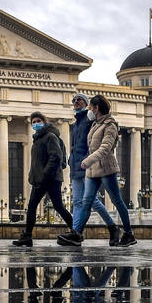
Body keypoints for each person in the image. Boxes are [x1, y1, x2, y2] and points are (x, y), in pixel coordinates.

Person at [58, 95, 135, 247]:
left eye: (90, 107)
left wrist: (87, 160)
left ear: (96, 108)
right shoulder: (95, 124)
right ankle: (77, 233)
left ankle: (129, 234)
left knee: (117, 201)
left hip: (105, 168)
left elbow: (105, 147)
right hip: (92, 169)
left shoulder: (110, 125)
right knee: (86, 201)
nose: (89, 110)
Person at [12, 111, 72, 246]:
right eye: (33, 122)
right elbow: (36, 162)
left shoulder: (50, 136)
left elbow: (56, 156)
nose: (35, 124)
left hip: (50, 179)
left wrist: (45, 174)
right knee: (33, 206)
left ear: (44, 122)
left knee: (58, 207)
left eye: (38, 121)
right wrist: (32, 176)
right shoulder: (37, 139)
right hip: (40, 179)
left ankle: (76, 231)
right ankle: (27, 236)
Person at [67, 94, 120, 246]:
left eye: (80, 100)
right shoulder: (76, 122)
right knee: (78, 201)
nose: (76, 102)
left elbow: (95, 141)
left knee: (90, 201)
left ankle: (109, 227)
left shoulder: (90, 120)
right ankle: (77, 233)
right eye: (74, 100)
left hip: (87, 164)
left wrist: (90, 160)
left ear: (87, 104)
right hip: (76, 165)